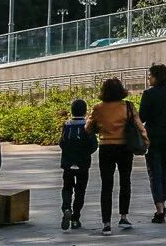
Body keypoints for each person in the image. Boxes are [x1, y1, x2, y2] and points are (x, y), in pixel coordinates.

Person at [86, 77, 148, 236]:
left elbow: (88, 128)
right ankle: (123, 216)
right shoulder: (128, 106)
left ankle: (106, 223)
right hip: (125, 147)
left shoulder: (98, 108)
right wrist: (145, 142)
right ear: (121, 90)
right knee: (125, 181)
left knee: (106, 185)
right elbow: (139, 126)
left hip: (106, 147)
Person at [138, 63, 166, 223]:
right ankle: (163, 201)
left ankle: (159, 209)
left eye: (150, 75)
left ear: (156, 77)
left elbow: (142, 117)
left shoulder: (148, 94)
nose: (148, 78)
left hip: (153, 138)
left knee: (154, 172)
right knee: (165, 169)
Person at [59, 98, 97, 231]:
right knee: (80, 191)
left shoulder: (67, 125)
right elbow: (94, 145)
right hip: (83, 164)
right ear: (85, 111)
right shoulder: (87, 125)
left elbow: (62, 143)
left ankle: (66, 208)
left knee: (67, 187)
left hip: (68, 163)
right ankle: (75, 218)